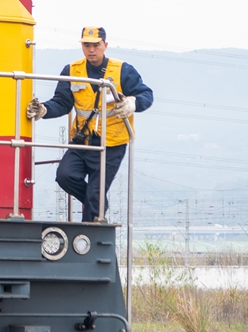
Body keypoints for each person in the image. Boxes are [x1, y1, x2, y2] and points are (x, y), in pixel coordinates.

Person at [25, 26, 153, 222]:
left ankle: (91, 227)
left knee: (96, 193)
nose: (91, 49)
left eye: (96, 45)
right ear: (82, 46)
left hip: (112, 144)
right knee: (65, 176)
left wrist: (132, 103)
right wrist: (44, 110)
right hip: (82, 141)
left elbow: (146, 94)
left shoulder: (123, 70)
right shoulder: (72, 70)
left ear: (105, 45)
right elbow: (62, 102)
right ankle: (99, 204)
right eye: (86, 45)